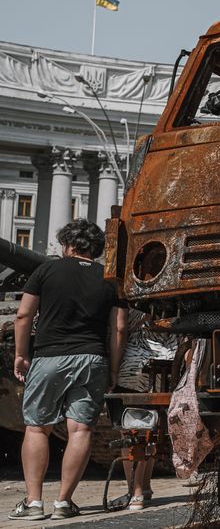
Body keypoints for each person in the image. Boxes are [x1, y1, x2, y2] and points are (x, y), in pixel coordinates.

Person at [8, 219, 127, 521]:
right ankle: (63, 503)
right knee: (81, 428)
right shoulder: (109, 279)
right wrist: (113, 370)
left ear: (68, 245)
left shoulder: (46, 270)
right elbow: (118, 329)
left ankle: (34, 503)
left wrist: (21, 355)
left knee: (37, 427)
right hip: (92, 359)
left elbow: (23, 315)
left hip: (50, 357)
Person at [106, 308, 177, 512]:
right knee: (150, 429)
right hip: (168, 364)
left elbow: (120, 329)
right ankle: (144, 487)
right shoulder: (172, 303)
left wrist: (112, 369)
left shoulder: (131, 302)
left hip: (134, 369)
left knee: (131, 432)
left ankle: (135, 493)